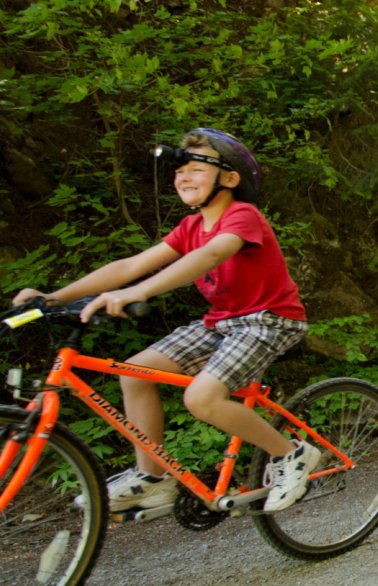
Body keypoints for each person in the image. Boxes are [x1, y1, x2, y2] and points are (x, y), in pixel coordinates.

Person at [11, 128, 319, 513]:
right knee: (134, 371)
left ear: (229, 178)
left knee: (201, 398)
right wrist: (54, 297)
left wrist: (141, 291)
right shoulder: (190, 227)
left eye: (195, 168)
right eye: (178, 172)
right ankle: (152, 479)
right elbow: (131, 265)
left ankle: (292, 453)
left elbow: (210, 256)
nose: (183, 177)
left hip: (268, 320)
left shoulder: (243, 216)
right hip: (220, 322)